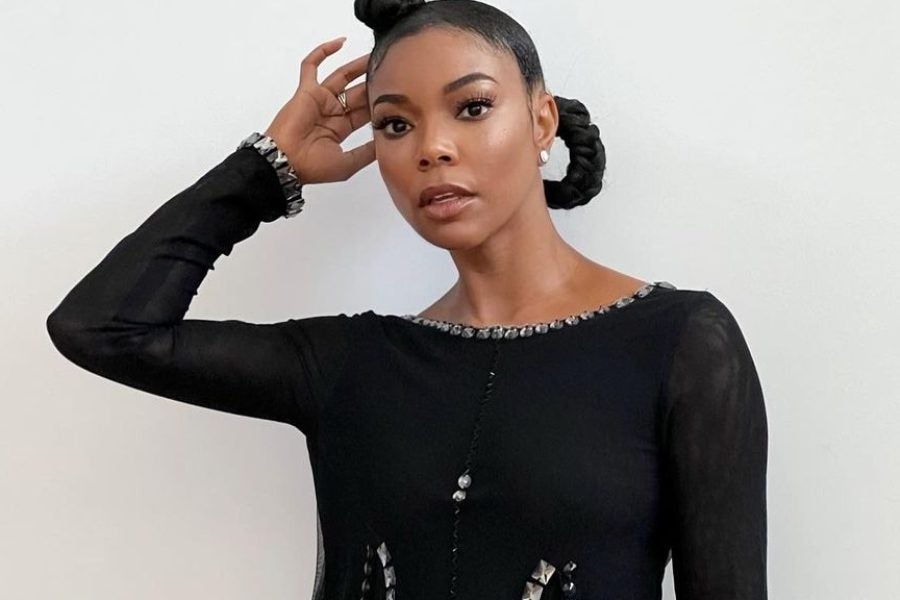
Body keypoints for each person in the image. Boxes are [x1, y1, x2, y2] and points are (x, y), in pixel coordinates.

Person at [45, 0, 769, 598]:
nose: (432, 148)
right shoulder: (347, 366)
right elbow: (101, 328)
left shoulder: (679, 344)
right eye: (396, 123)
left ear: (541, 120)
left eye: (472, 107)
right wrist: (266, 173)